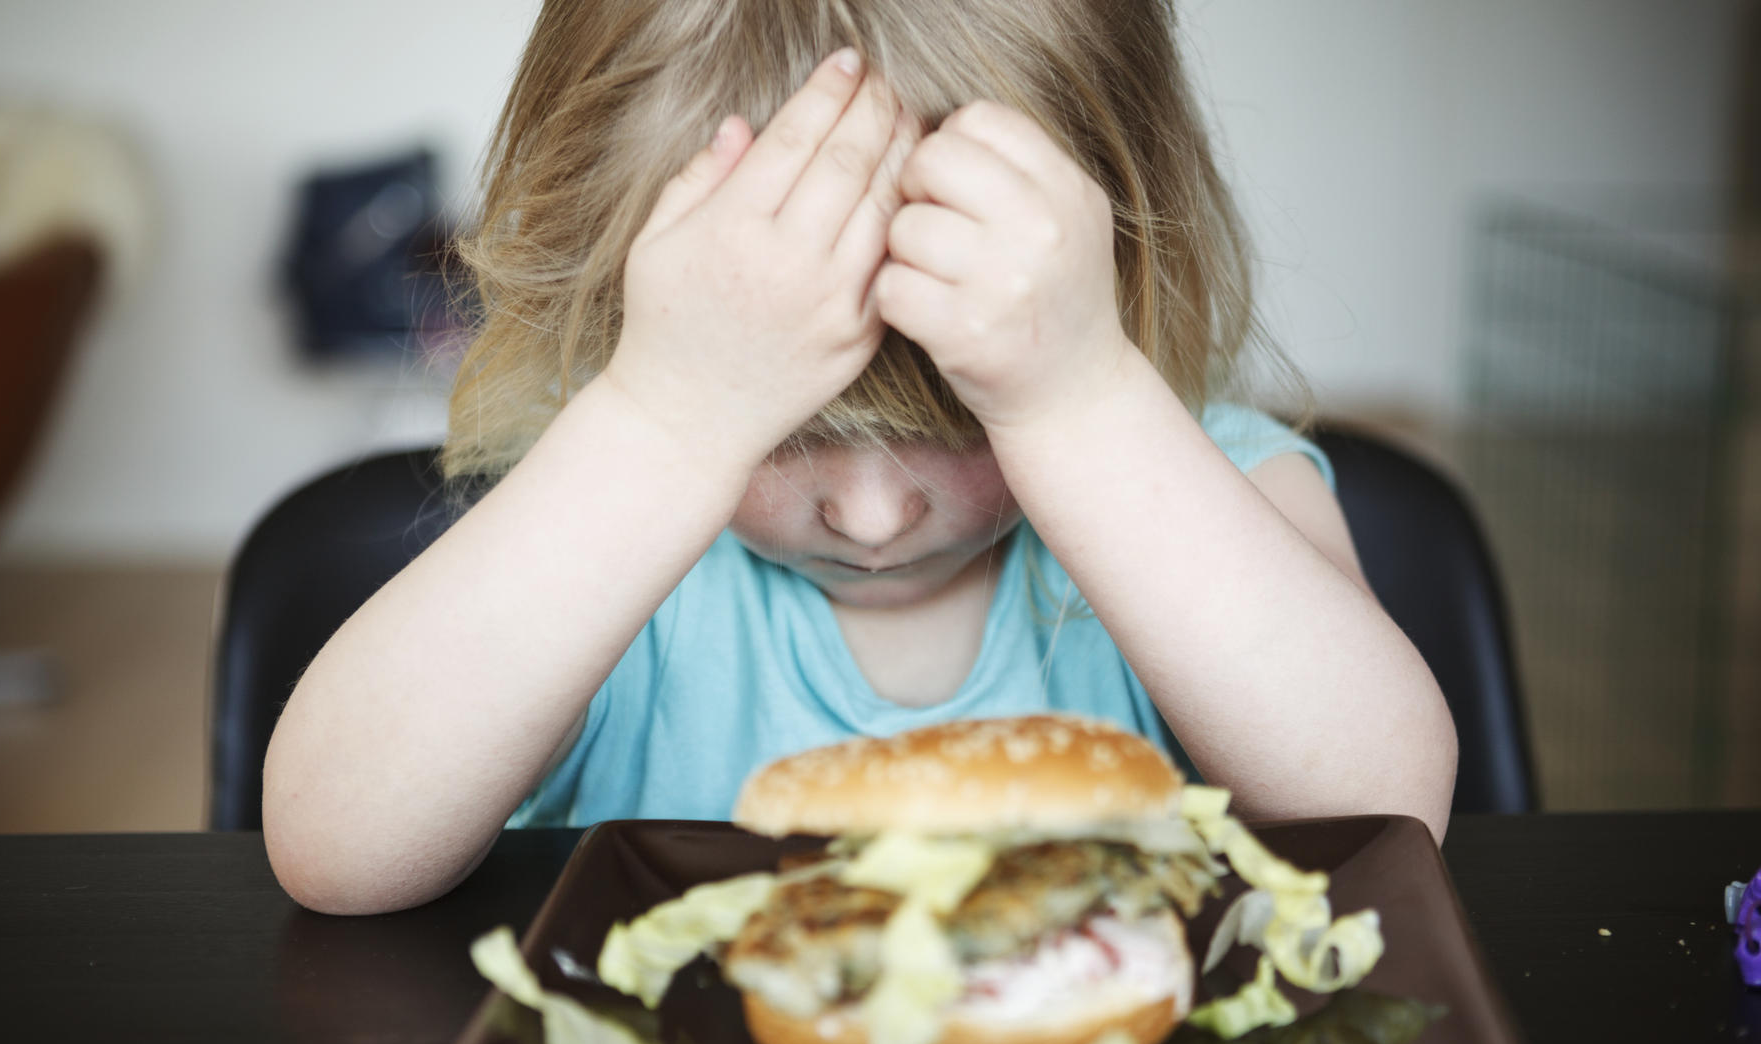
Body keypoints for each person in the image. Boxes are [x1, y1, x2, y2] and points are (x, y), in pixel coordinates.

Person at [263, 0, 1456, 916]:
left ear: (1119, 289)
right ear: (619, 325)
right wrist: (668, 425)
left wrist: (1083, 410)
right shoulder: (603, 522)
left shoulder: (1204, 483)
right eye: (782, 433)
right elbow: (336, 845)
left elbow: (1388, 819)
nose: (876, 518)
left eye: (965, 419)